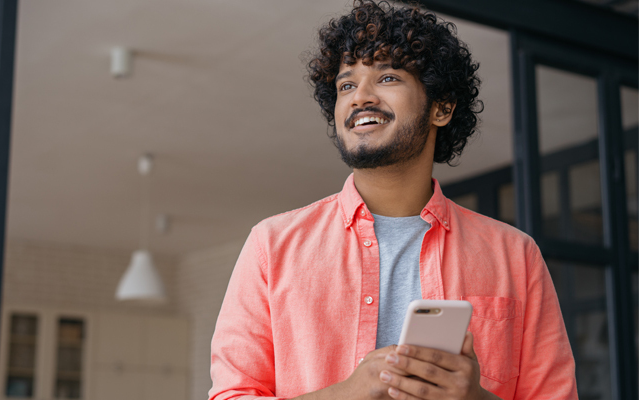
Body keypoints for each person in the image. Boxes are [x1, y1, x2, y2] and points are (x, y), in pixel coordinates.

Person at [209, 1, 577, 399]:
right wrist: (347, 393)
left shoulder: (515, 257)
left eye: (387, 77)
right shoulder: (271, 246)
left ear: (442, 107)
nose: (359, 97)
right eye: (346, 85)